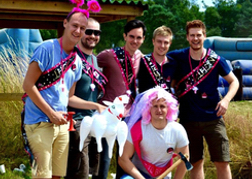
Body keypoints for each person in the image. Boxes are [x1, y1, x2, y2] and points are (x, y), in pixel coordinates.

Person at [22, 1, 102, 178]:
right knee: (43, 174)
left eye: (82, 28)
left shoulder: (77, 61)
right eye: (75, 25)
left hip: (61, 124)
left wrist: (96, 106)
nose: (78, 31)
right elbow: (28, 85)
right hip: (39, 121)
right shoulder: (46, 48)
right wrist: (51, 113)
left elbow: (69, 98)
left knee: (58, 175)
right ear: (65, 24)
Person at [167, 20, 239, 179]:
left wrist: (226, 100)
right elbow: (158, 59)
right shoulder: (178, 57)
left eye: (198, 35)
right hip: (188, 119)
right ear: (187, 37)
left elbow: (234, 81)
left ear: (204, 36)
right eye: (192, 35)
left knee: (222, 161)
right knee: (195, 162)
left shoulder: (216, 59)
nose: (195, 38)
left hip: (213, 117)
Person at [96, 19, 147, 179]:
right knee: (103, 157)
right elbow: (89, 63)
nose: (135, 41)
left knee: (124, 158)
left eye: (139, 38)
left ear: (143, 39)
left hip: (130, 116)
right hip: (109, 113)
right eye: (131, 36)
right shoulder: (108, 55)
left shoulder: (143, 59)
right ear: (125, 36)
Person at [65, 18, 107, 179]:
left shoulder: (96, 61)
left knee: (94, 172)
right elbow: (69, 98)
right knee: (79, 173)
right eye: (89, 31)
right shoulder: (72, 59)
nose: (93, 36)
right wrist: (96, 106)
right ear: (81, 32)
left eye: (97, 33)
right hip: (76, 122)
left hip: (94, 123)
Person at [118, 87, 189, 179]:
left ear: (168, 108)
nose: (159, 110)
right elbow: (123, 159)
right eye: (155, 106)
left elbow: (185, 160)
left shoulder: (178, 130)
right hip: (139, 175)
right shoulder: (137, 128)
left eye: (162, 106)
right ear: (148, 108)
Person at [137, 25, 176, 94]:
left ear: (170, 44)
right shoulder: (142, 62)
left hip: (164, 104)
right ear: (153, 41)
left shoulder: (173, 64)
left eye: (166, 42)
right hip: (144, 104)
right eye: (159, 41)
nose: (162, 45)